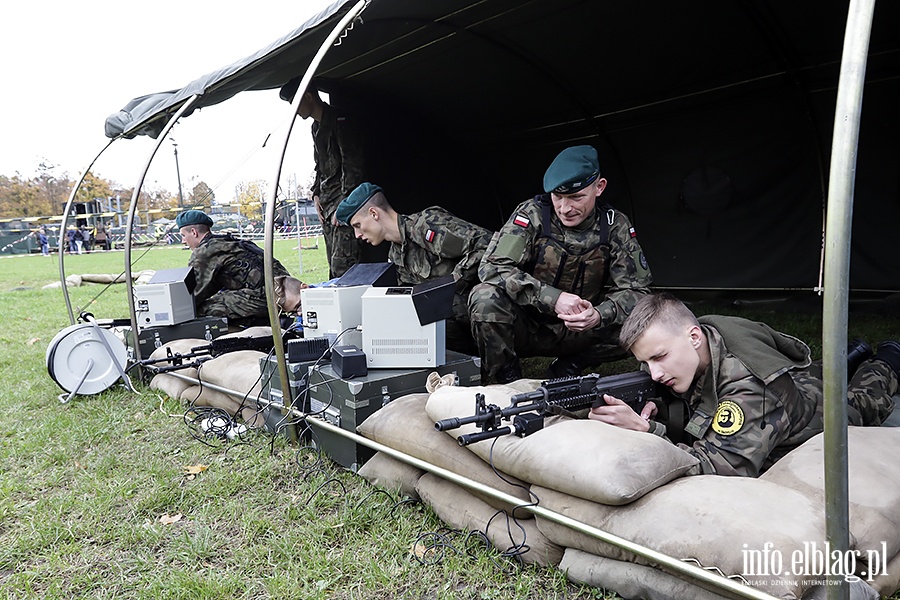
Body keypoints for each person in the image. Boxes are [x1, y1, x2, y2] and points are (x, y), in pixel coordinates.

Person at [589, 292, 900, 477]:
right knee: (817, 374)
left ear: (694, 337)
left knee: (863, 400)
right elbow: (696, 398)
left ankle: (886, 358)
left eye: (659, 357)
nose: (654, 374)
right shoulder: (699, 340)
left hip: (810, 415)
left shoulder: (750, 390)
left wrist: (649, 432)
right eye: (646, 363)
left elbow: (723, 469)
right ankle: (851, 353)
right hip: (791, 384)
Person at [469, 145, 653, 383]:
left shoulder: (614, 225)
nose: (565, 208)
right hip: (529, 326)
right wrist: (553, 299)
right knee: (484, 297)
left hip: (582, 330)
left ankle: (571, 365)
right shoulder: (532, 215)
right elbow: (494, 268)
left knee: (646, 318)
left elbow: (638, 290)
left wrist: (599, 314)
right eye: (558, 196)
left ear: (599, 188)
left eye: (576, 197)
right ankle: (508, 378)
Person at [335, 182, 494, 354]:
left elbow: (487, 244)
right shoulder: (396, 254)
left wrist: (454, 280)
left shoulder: (427, 226)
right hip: (450, 318)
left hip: (482, 305)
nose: (357, 235)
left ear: (374, 213)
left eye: (357, 225)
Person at [280, 78, 364, 279]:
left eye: (296, 102)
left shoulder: (340, 120)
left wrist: (345, 206)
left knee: (345, 267)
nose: (295, 110)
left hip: (343, 205)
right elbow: (320, 165)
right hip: (327, 205)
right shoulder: (316, 128)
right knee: (333, 269)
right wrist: (316, 194)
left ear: (309, 96)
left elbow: (352, 165)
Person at [176, 210, 293, 327]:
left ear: (194, 232)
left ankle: (261, 324)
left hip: (268, 297)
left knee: (200, 310)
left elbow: (193, 296)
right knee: (222, 298)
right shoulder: (228, 242)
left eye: (183, 236)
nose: (183, 241)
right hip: (286, 290)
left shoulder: (204, 252)